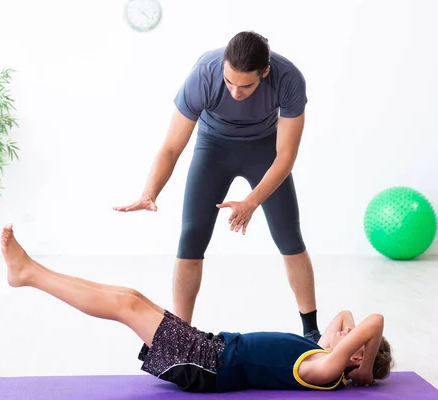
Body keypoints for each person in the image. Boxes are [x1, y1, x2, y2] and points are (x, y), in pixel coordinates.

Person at [0, 224, 394, 393]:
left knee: (124, 304)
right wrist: (359, 358)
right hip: (209, 348)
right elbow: (346, 315)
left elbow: (373, 321)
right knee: (129, 295)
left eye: (352, 342)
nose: (345, 330)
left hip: (206, 365)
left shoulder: (324, 370)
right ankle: (30, 270)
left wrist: (362, 368)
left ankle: (28, 274)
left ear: (355, 355)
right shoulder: (324, 351)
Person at [113, 31, 321, 342]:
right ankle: (181, 336)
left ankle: (312, 331)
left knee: (289, 235)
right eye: (229, 82)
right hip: (213, 148)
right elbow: (171, 146)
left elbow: (286, 156)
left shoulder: (288, 78)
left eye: (247, 85)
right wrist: (149, 192)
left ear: (265, 72)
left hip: (265, 150)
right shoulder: (204, 75)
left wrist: (251, 202)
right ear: (222, 67)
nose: (236, 92)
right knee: (192, 235)